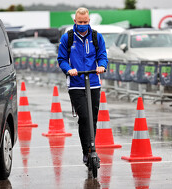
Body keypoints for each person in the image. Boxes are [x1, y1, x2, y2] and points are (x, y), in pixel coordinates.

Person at [57, 7, 108, 164]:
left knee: (93, 118)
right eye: (80, 22)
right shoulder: (68, 38)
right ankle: (86, 151)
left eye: (85, 22)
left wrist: (101, 66)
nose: (83, 24)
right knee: (84, 117)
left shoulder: (96, 37)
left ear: (89, 21)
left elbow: (103, 56)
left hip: (93, 83)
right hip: (76, 84)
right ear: (75, 21)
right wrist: (69, 69)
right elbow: (62, 59)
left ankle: (93, 150)